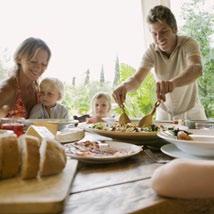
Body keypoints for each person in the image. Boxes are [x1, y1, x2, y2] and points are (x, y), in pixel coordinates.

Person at [113, 5, 206, 121]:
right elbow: (137, 79)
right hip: (164, 113)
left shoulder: (188, 43)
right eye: (154, 33)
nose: (159, 38)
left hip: (191, 110)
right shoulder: (151, 51)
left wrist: (173, 83)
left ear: (174, 29)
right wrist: (124, 86)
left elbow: (196, 68)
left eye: (163, 31)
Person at [0, 37, 51, 118]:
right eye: (33, 61)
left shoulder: (39, 92)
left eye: (44, 64)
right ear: (19, 59)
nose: (38, 67)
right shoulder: (7, 89)